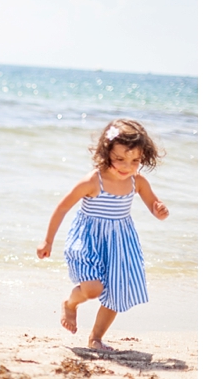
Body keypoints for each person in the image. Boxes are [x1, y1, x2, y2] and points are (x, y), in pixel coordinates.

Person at [36, 119, 168, 350]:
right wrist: (48, 240)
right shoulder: (92, 181)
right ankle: (70, 303)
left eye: (135, 160)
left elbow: (154, 206)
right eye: (120, 159)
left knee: (117, 293)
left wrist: (160, 211)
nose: (127, 166)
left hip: (120, 243)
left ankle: (95, 338)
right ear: (106, 153)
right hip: (89, 240)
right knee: (92, 289)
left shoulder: (138, 182)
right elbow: (63, 207)